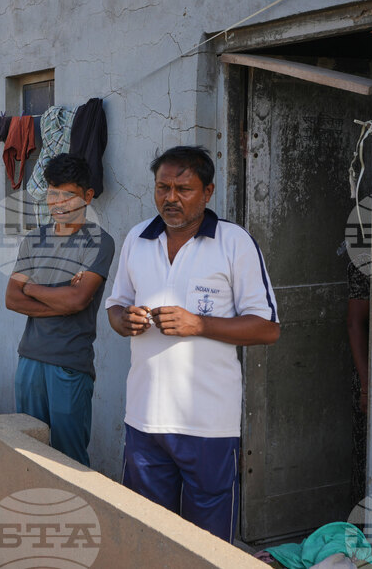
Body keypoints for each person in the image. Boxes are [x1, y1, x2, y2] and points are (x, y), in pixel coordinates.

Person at [105, 145, 280, 542]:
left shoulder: (233, 243)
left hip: (209, 425)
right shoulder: (138, 238)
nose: (170, 198)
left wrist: (198, 324)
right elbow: (115, 305)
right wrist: (123, 320)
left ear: (208, 192)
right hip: (144, 421)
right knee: (146, 535)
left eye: (183, 188)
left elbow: (267, 328)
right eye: (162, 187)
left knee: (207, 542)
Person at [5, 154, 115, 466]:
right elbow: (12, 299)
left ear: (87, 196)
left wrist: (32, 288)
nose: (59, 203)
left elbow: (77, 302)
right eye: (53, 193)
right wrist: (60, 297)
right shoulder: (34, 239)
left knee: (69, 459)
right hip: (29, 359)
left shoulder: (98, 242)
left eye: (69, 195)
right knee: (26, 449)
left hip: (69, 364)